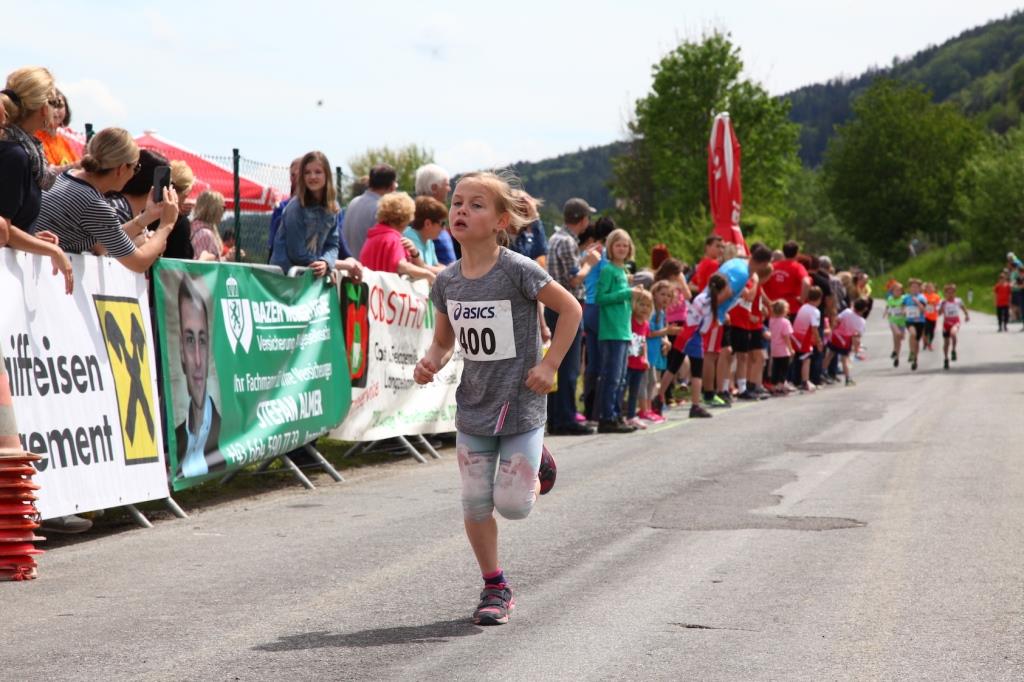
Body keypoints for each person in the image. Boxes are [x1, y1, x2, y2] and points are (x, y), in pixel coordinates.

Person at [413, 170, 582, 626]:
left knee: (513, 505)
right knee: (474, 502)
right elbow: (443, 341)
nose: (461, 211)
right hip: (474, 405)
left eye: (476, 205)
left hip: (521, 402)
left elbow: (570, 309)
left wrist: (549, 364)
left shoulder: (517, 270)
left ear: (501, 221)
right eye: (457, 203)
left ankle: (539, 463)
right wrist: (431, 362)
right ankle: (495, 586)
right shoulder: (447, 281)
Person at [33, 127, 179, 272]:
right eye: (136, 168)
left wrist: (147, 217)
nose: (134, 174)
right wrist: (166, 225)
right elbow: (139, 263)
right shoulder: (94, 204)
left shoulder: (67, 175)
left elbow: (101, 245)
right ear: (122, 168)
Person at [0, 66, 74, 293]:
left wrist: (31, 237)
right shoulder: (15, 155)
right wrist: (53, 251)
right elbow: (4, 229)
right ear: (43, 108)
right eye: (54, 103)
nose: (56, 110)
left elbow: (10, 228)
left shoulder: (22, 151)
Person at [544, 197, 601, 436]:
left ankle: (557, 418)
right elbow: (574, 279)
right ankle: (565, 419)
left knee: (559, 364)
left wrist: (582, 258)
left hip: (555, 307)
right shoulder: (567, 241)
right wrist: (589, 263)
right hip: (567, 307)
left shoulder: (557, 238)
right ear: (583, 219)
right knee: (569, 367)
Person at [654, 274, 730, 418]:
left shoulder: (701, 297)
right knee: (696, 371)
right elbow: (705, 327)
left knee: (673, 367)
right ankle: (695, 406)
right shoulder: (711, 303)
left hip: (686, 332)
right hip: (694, 336)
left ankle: (659, 397)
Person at [173, 276, 224, 478]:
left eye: (202, 341)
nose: (197, 360)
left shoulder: (228, 436)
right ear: (180, 352)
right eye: (189, 340)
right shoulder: (176, 436)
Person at [106, 149, 193, 261]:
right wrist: (143, 243)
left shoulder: (137, 212)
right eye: (168, 183)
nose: (170, 188)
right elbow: (102, 254)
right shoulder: (117, 209)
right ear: (156, 183)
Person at [595, 228, 639, 433]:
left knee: (620, 378)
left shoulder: (624, 271)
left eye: (625, 245)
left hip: (623, 330)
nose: (622, 248)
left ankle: (615, 414)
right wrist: (627, 292)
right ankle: (607, 417)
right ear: (610, 247)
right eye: (618, 245)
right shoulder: (608, 270)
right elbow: (600, 298)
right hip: (611, 330)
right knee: (611, 377)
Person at [270, 151, 339, 278]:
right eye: (307, 172)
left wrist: (326, 262)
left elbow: (333, 244)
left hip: (311, 276)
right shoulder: (295, 208)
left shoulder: (332, 207)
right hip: (286, 278)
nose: (312, 176)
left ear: (327, 175)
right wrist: (324, 268)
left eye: (318, 172)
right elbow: (296, 253)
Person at [359, 192, 436, 282]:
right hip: (389, 290)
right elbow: (401, 266)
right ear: (406, 217)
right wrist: (428, 275)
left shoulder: (372, 236)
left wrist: (414, 253)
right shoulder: (394, 239)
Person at [579, 209, 610, 421]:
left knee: (592, 362)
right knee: (605, 361)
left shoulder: (587, 252)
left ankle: (589, 409)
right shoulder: (604, 254)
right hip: (600, 309)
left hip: (587, 308)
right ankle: (600, 410)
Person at [638, 281, 678, 422]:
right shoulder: (652, 311)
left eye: (668, 295)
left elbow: (662, 331)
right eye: (662, 294)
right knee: (645, 381)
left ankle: (649, 409)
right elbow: (649, 333)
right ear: (654, 294)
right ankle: (643, 409)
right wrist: (666, 332)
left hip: (654, 353)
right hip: (646, 352)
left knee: (652, 381)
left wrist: (666, 341)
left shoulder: (662, 312)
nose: (665, 298)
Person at [344, 163, 397, 258]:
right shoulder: (382, 209)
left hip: (350, 263)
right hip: (368, 266)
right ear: (392, 186)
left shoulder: (353, 202)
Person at [414, 163, 456, 265]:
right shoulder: (419, 218)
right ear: (434, 188)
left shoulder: (435, 215)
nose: (449, 189)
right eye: (446, 184)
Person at [623, 289, 652, 429]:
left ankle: (631, 416)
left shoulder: (646, 324)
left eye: (647, 305)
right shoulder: (630, 320)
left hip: (639, 363)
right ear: (634, 304)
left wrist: (645, 358)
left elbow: (644, 342)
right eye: (641, 304)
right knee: (623, 389)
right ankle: (619, 414)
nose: (644, 308)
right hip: (628, 362)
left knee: (634, 391)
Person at [825, 298, 869, 386]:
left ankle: (822, 372)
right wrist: (856, 348)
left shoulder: (847, 312)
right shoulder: (862, 321)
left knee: (829, 355)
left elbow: (837, 320)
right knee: (845, 359)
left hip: (836, 336)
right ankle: (847, 378)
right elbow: (858, 335)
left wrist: (832, 329)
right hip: (846, 340)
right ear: (864, 309)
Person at [762, 240, 810, 319]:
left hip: (772, 309)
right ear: (797, 253)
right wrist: (801, 300)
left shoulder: (773, 266)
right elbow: (806, 283)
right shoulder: (798, 267)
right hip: (790, 310)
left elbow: (760, 284)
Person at [33, 88, 78, 169]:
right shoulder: (35, 138)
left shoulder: (64, 142)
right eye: (52, 105)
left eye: (59, 106)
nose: (55, 111)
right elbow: (46, 171)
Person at [404, 196, 447, 274]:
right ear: (427, 224)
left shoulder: (428, 240)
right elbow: (420, 267)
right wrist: (449, 271)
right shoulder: (408, 237)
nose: (444, 228)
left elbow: (435, 265)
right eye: (442, 223)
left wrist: (449, 269)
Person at [792, 286, 824, 391]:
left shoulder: (803, 306)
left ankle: (795, 380)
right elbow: (814, 328)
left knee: (797, 358)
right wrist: (819, 341)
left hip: (795, 335)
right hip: (804, 336)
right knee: (807, 359)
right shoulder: (815, 311)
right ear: (819, 299)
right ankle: (805, 381)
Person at [509, 190, 548, 269]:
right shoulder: (500, 238)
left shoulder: (522, 237)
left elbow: (540, 254)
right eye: (528, 211)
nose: (530, 217)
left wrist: (535, 218)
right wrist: (535, 219)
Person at [767, 300, 797, 394]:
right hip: (783, 350)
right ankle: (780, 385)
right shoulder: (785, 322)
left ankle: (774, 385)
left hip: (774, 348)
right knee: (784, 368)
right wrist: (791, 349)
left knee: (776, 367)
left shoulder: (771, 321)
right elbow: (786, 337)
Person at [938, 284, 970, 370]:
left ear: (955, 293)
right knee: (946, 343)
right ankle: (946, 358)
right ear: (945, 293)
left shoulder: (958, 301)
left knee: (953, 333)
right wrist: (942, 307)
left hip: (955, 321)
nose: (951, 294)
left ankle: (953, 350)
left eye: (952, 292)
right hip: (946, 323)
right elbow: (939, 313)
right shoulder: (943, 302)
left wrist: (966, 315)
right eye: (948, 292)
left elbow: (963, 308)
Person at [190, 190, 226, 261]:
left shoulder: (195, 228)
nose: (224, 211)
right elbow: (200, 264)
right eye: (223, 208)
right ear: (214, 210)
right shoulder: (205, 233)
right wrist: (227, 258)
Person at [902, 278, 927, 371]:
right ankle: (911, 352)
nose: (914, 289)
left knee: (916, 342)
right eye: (912, 287)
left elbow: (923, 310)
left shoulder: (922, 298)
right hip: (910, 320)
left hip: (920, 321)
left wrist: (917, 302)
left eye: (916, 287)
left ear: (919, 288)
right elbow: (903, 308)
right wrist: (904, 311)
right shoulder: (905, 298)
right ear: (909, 288)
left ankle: (915, 360)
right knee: (913, 334)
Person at [883, 282, 907, 368]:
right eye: (896, 290)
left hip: (902, 321)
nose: (898, 292)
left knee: (900, 339)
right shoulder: (890, 298)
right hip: (893, 320)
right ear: (892, 291)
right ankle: (895, 353)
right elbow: (887, 306)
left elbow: (906, 306)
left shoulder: (904, 298)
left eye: (900, 290)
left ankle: (896, 354)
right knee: (897, 334)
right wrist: (885, 312)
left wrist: (904, 311)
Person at [922, 281, 941, 351]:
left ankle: (929, 343)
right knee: (926, 330)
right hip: (925, 316)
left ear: (934, 289)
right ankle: (925, 342)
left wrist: (937, 307)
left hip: (933, 317)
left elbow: (939, 305)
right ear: (926, 289)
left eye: (931, 287)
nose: (929, 289)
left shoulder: (936, 296)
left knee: (932, 332)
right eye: (928, 287)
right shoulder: (923, 296)